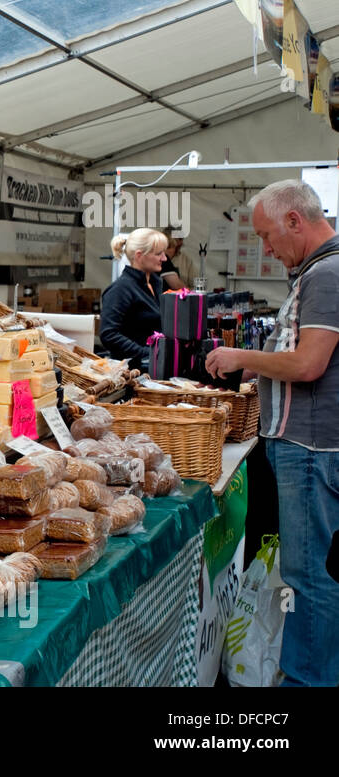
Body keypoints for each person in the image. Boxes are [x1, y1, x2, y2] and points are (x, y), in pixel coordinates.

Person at [205, 179, 339, 687]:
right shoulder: (320, 271)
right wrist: (267, 367)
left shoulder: (326, 273)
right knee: (314, 576)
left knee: (309, 580)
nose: (265, 248)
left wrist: (244, 357)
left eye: (266, 235)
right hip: (309, 447)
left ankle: (310, 681)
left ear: (294, 221)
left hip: (310, 451)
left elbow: (308, 364)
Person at [99, 228, 167, 370]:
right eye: (158, 253)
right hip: (132, 372)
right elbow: (109, 334)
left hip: (154, 367)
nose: (164, 258)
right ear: (139, 256)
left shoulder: (155, 284)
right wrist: (146, 353)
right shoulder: (120, 289)